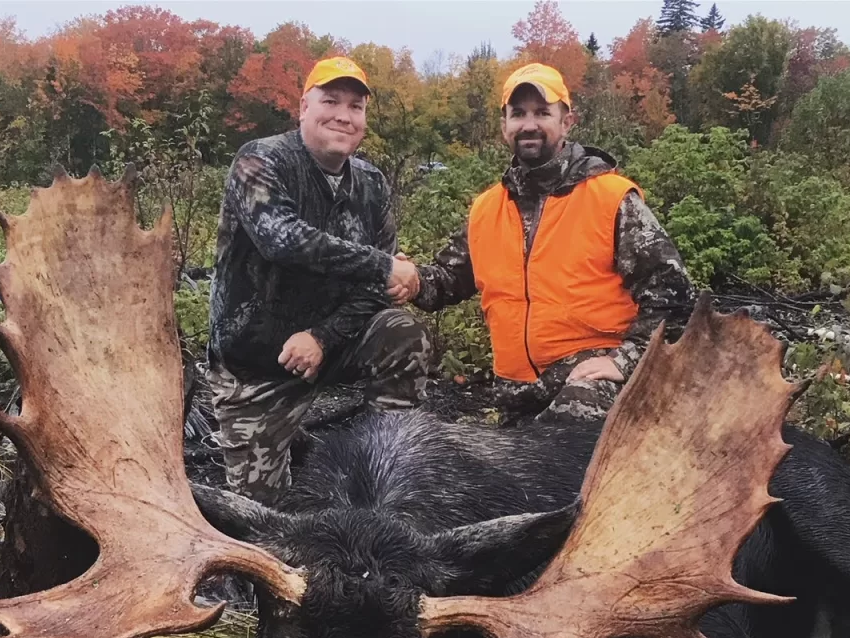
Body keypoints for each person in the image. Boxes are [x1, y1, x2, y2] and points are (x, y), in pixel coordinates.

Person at [403, 63, 694, 423]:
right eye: (518, 113)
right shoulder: (487, 208)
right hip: (517, 397)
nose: (529, 125)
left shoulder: (610, 198)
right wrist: (409, 277)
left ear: (567, 121)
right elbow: (446, 281)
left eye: (543, 113)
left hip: (588, 385)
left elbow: (675, 296)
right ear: (503, 126)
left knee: (573, 415)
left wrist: (626, 359)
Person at [207, 56, 428, 502]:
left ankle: (387, 466)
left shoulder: (371, 183)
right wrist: (385, 265)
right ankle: (292, 442)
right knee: (260, 516)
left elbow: (376, 289)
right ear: (303, 107)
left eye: (356, 106)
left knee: (401, 333)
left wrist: (323, 337)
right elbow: (281, 239)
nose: (343, 116)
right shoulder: (259, 160)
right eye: (330, 101)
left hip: (331, 344)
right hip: (257, 367)